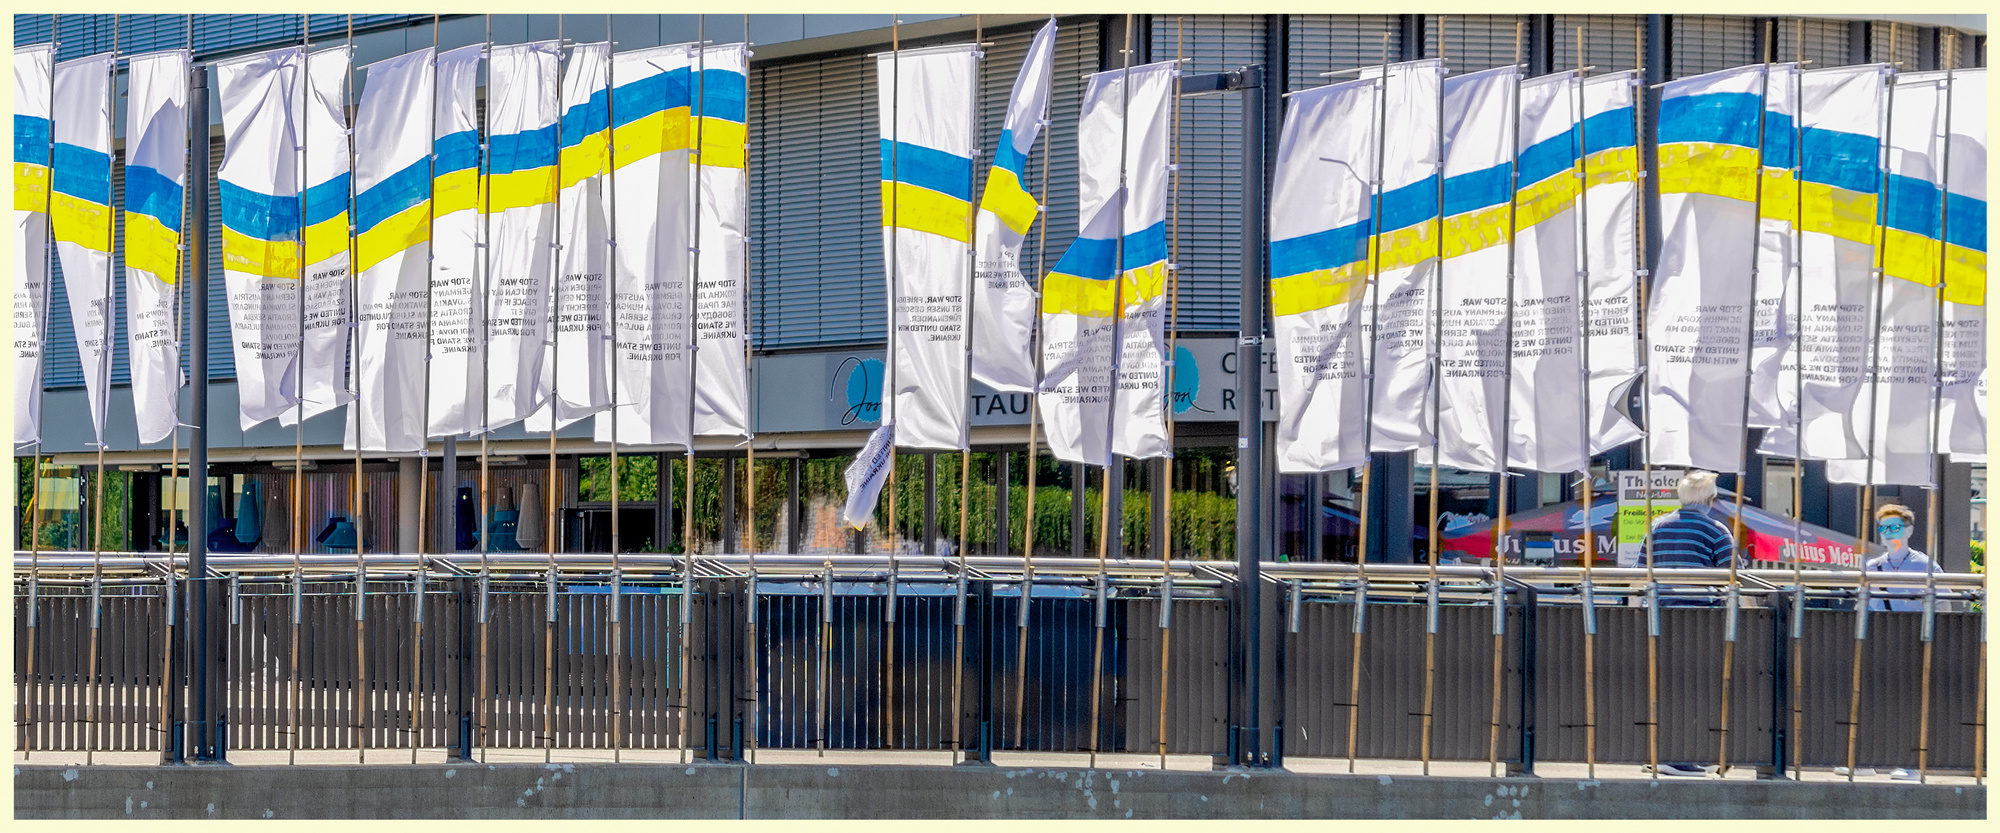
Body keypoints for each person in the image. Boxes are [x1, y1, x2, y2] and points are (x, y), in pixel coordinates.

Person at [1641, 470, 1739, 777]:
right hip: (1700, 620)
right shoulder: (1716, 531)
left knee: (1664, 686)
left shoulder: (1656, 527)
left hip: (1659, 617)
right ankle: (1682, 756)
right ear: (1711, 500)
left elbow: (1637, 574)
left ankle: (1661, 753)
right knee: (1698, 687)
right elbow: (1736, 577)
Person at [1835, 504, 1940, 781]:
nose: (1888, 533)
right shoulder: (1871, 566)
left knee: (1909, 701)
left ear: (1909, 531)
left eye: (1894, 527)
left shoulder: (1926, 565)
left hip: (1914, 638)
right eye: (1883, 528)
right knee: (1871, 698)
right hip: (1877, 638)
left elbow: (1946, 601)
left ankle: (1910, 762)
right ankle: (1866, 758)